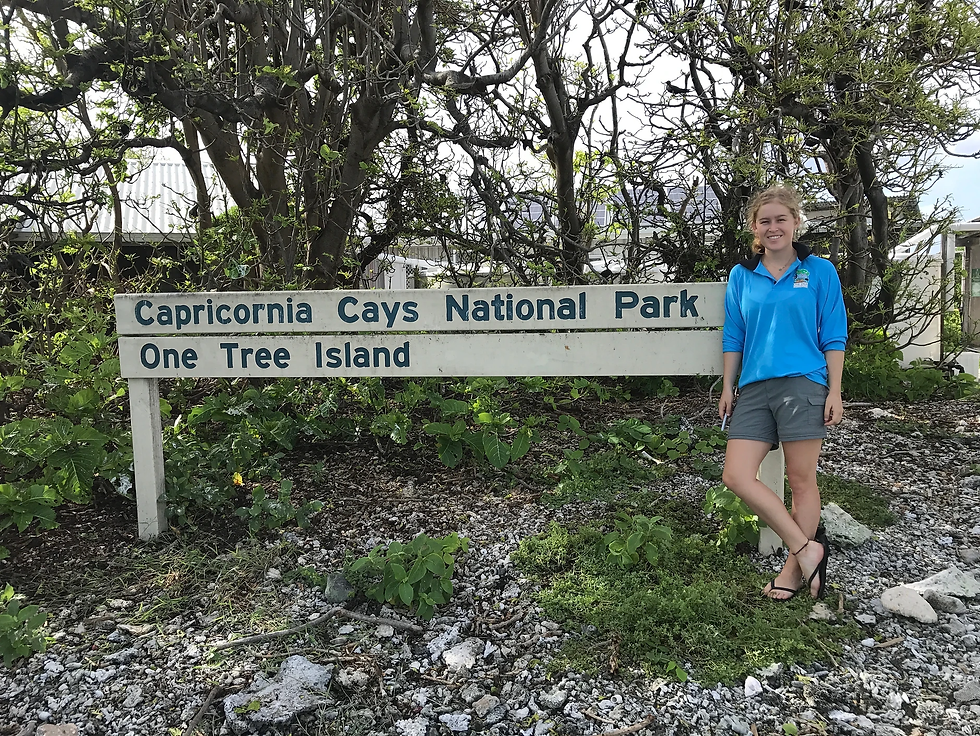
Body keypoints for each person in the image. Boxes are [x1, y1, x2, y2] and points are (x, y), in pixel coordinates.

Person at [718, 185, 847, 600]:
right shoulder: (743, 275)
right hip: (753, 387)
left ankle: (793, 572)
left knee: (801, 480)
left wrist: (836, 390)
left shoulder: (820, 271)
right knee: (736, 474)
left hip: (804, 382)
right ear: (754, 228)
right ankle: (808, 548)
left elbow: (834, 334)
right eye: (765, 221)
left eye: (781, 219)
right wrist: (727, 385)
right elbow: (734, 333)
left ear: (795, 223)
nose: (773, 227)